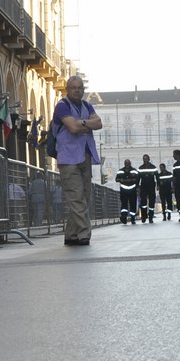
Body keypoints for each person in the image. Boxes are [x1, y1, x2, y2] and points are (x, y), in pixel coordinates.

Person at [52, 75, 102, 247]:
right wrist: (86, 123)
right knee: (76, 197)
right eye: (73, 87)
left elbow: (99, 123)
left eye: (80, 87)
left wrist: (81, 122)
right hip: (68, 159)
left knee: (84, 197)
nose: (77, 90)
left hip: (85, 156)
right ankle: (84, 234)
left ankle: (71, 234)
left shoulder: (87, 105)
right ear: (67, 88)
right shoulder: (62, 106)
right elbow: (73, 128)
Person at [136, 153, 158, 225]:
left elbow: (157, 177)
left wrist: (158, 185)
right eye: (144, 159)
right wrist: (137, 187)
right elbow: (138, 178)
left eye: (146, 159)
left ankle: (151, 217)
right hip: (143, 187)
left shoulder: (153, 167)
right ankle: (144, 216)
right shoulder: (140, 168)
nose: (145, 160)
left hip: (151, 187)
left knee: (151, 203)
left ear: (149, 159)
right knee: (143, 203)